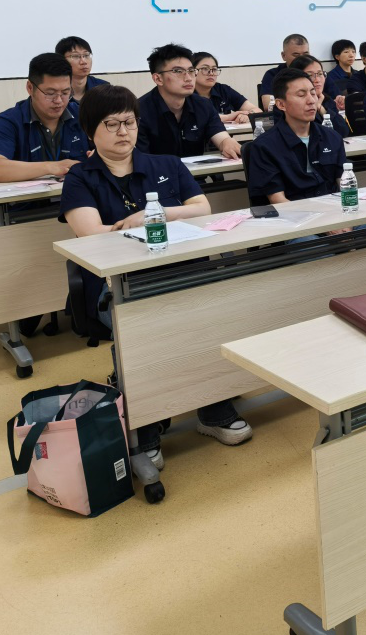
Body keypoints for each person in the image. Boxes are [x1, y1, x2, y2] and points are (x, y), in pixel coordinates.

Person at [61, 85, 251, 456]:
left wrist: (153, 215)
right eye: (111, 124)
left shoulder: (166, 164)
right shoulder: (80, 177)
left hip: (185, 270)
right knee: (144, 330)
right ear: (89, 130)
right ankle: (145, 420)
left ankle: (212, 405)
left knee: (209, 318)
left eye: (129, 122)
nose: (123, 132)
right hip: (122, 283)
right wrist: (145, 224)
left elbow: (202, 209)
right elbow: (91, 234)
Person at [0, 52, 87, 182]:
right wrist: (52, 167)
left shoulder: (82, 115)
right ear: (30, 88)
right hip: (30, 196)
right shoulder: (8, 122)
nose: (59, 100)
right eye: (50, 93)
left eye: (66, 93)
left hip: (79, 193)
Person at [245, 69, 347, 202]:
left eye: (313, 93)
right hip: (293, 212)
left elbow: (346, 186)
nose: (311, 100)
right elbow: (278, 201)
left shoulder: (332, 137)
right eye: (301, 95)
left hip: (334, 211)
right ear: (281, 104)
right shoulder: (265, 146)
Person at [137, 44, 241, 160]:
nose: (188, 78)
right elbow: (141, 160)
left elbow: (222, 138)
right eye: (178, 71)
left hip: (196, 172)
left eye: (191, 71)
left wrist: (227, 143)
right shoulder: (139, 111)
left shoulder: (203, 105)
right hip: (158, 171)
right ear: (158, 79)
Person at [289, 55, 352, 137]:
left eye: (320, 74)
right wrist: (314, 107)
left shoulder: (327, 100)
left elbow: (343, 131)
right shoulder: (290, 103)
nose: (317, 80)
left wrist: (322, 110)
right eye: (310, 75)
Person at [192, 52, 254, 123]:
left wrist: (247, 115)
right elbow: (198, 117)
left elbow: (256, 110)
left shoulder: (223, 90)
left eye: (214, 69)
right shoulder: (186, 93)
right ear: (192, 71)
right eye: (205, 69)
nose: (211, 73)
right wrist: (228, 117)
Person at [260, 33, 309, 110]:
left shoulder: (315, 73)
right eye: (296, 55)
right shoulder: (273, 75)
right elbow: (268, 105)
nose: (302, 59)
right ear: (283, 56)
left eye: (306, 54)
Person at [56, 36, 110, 102]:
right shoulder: (55, 91)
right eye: (76, 56)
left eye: (86, 55)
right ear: (62, 60)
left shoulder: (103, 88)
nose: (83, 62)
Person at [325, 38, 361, 109]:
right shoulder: (330, 77)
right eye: (346, 52)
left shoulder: (358, 74)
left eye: (353, 52)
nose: (351, 55)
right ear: (337, 56)